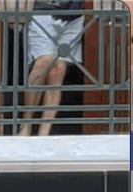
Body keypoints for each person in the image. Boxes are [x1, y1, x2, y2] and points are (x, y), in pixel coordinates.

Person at [18, 0, 85, 138]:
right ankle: (26, 122)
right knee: (44, 61)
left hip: (74, 15)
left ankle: (45, 131)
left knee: (58, 69)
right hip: (43, 9)